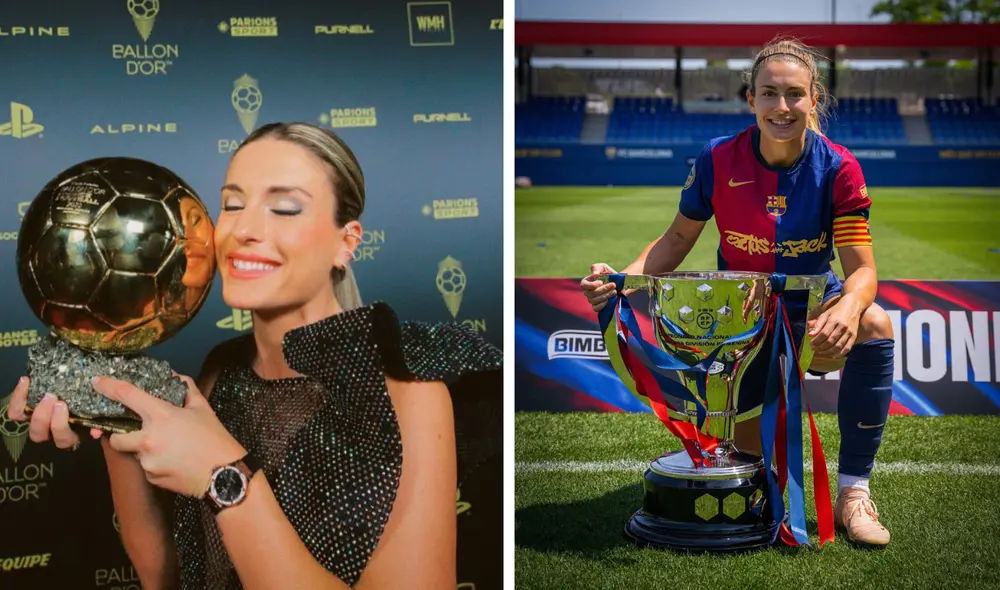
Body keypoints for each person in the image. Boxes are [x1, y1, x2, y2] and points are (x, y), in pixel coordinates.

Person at [7, 122, 503, 589]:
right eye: (232, 204)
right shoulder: (220, 373)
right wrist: (113, 417)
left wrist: (223, 474)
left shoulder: (406, 388)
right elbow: (166, 573)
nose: (244, 229)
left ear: (346, 242)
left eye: (285, 208)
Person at [581, 38, 895, 549]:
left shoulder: (839, 167)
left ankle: (853, 493)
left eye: (795, 94)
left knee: (878, 323)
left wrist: (851, 307)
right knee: (753, 481)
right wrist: (623, 281)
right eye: (769, 93)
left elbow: (862, 271)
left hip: (812, 320)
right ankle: (757, 464)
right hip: (742, 329)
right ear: (750, 98)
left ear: (814, 99)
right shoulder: (717, 157)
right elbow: (677, 239)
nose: (782, 107)